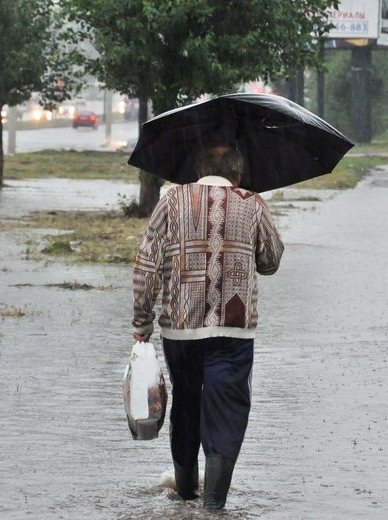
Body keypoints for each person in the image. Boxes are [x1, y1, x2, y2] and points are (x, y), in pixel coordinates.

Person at [132, 145, 284, 510]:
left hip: (180, 331)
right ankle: (213, 507)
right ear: (237, 175)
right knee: (228, 408)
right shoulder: (252, 202)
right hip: (233, 332)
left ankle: (185, 493)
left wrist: (142, 324)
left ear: (198, 171)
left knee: (185, 402)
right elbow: (271, 260)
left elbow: (146, 266)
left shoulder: (172, 199)